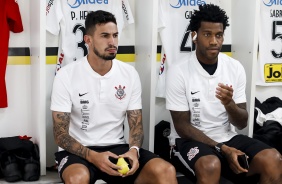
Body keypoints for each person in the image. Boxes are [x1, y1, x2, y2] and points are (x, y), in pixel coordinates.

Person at [50, 10, 177, 184]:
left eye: (115, 35)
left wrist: (133, 150)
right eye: (105, 36)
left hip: (118, 148)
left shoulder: (129, 73)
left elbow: (136, 126)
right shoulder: (66, 75)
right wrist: (93, 157)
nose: (112, 42)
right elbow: (60, 134)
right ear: (88, 40)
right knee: (77, 178)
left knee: (166, 171)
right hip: (79, 151)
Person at [166, 4, 282, 184]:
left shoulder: (234, 67)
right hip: (187, 141)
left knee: (273, 158)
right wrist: (222, 148)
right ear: (194, 36)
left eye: (218, 35)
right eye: (207, 34)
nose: (214, 41)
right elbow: (182, 126)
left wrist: (230, 104)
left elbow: (242, 122)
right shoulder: (178, 71)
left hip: (226, 136)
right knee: (210, 165)